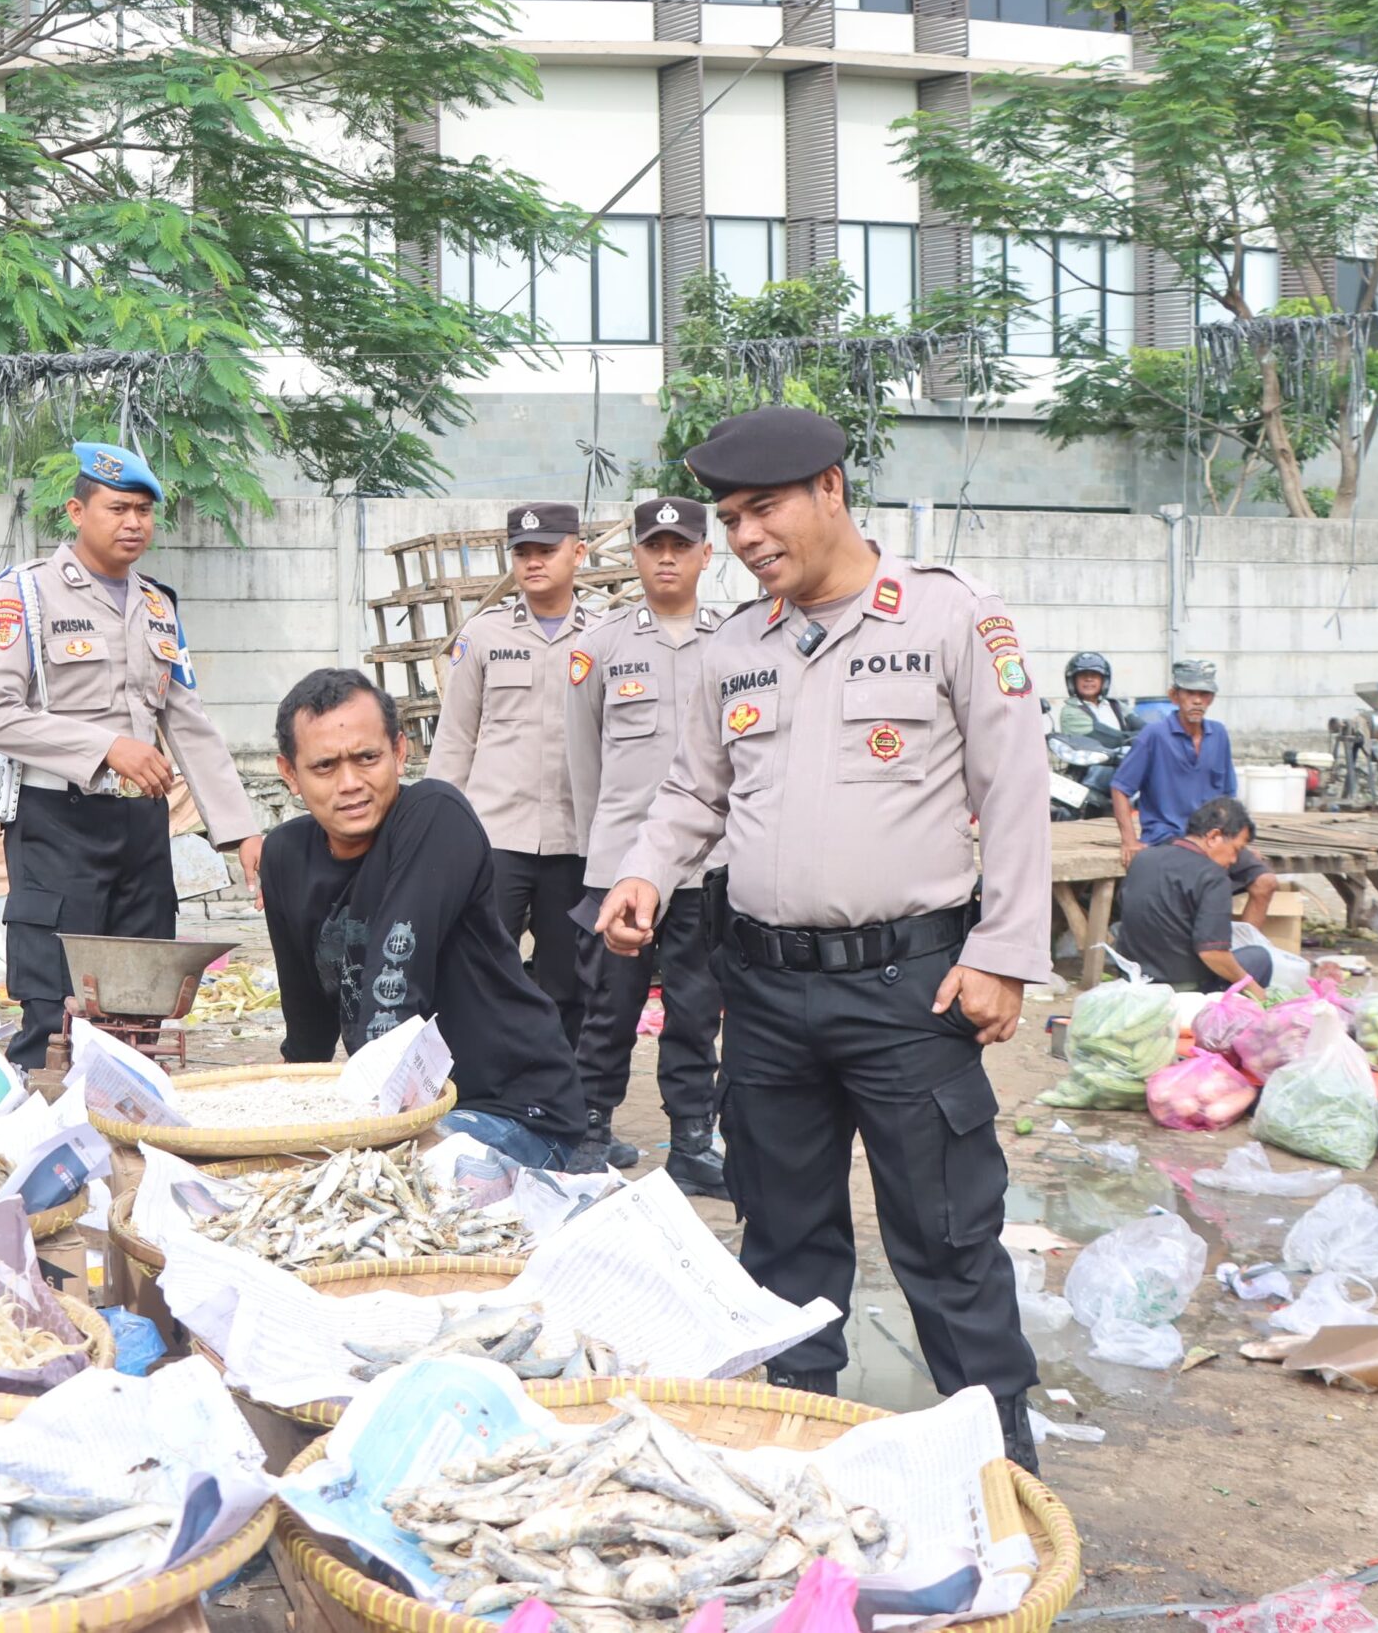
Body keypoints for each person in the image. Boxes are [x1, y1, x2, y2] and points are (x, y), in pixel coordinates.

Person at [592, 406, 1050, 1476]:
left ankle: (1002, 1465)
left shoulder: (945, 619)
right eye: (730, 518)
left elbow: (1017, 792)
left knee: (944, 1237)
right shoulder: (733, 648)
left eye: (764, 510)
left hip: (912, 993)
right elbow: (693, 789)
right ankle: (799, 1444)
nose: (746, 537)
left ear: (831, 490)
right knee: (782, 1236)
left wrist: (1003, 955)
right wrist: (645, 871)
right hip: (764, 994)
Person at [0, 442, 262, 1068]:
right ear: (76, 512)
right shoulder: (26, 594)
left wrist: (240, 831)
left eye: (144, 511)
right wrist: (108, 748)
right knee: (53, 1005)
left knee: (139, 998)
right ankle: (39, 1129)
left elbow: (188, 720)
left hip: (139, 827)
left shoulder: (158, 604)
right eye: (117, 509)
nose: (134, 523)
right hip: (56, 822)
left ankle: (128, 1132)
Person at [263, 668, 592, 1169]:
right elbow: (307, 1026)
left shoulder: (436, 815)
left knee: (370, 1177)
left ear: (400, 751)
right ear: (290, 773)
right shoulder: (285, 855)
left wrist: (367, 1128)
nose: (350, 784)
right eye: (325, 766)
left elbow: (392, 992)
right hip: (395, 1109)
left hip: (511, 1111)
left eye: (367, 758)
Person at [564, 494, 728, 1188]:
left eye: (681, 545)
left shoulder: (735, 640)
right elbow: (582, 762)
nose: (667, 557)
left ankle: (692, 1141)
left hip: (708, 867)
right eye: (654, 545)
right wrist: (601, 854)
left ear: (704, 555)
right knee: (609, 1007)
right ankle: (591, 1130)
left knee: (695, 1010)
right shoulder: (600, 646)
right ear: (633, 554)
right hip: (619, 866)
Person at [427, 502, 596, 1051]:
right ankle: (476, 1083)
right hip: (496, 836)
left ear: (579, 551)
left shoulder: (605, 637)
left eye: (546, 550)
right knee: (477, 964)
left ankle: (556, 1085)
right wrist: (441, 832)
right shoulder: (482, 635)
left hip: (577, 840)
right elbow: (455, 738)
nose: (533, 562)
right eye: (522, 553)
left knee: (567, 979)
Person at [1110, 659, 1277, 927]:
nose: (1197, 701)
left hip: (1216, 839)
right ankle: (1209, 956)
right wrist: (1129, 840)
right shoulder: (1154, 735)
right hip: (1169, 837)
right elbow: (1120, 787)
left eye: (1204, 694)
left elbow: (1228, 796)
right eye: (1190, 693)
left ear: (1211, 698)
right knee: (1211, 884)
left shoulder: (1219, 734)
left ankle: (1242, 957)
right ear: (1174, 696)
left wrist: (1238, 842)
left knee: (1265, 882)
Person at [1113, 799, 1275, 993]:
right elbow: (1212, 953)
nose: (1233, 860)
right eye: (1236, 850)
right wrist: (1255, 989)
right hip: (1184, 988)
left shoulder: (1143, 859)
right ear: (1214, 836)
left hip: (1134, 979)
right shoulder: (1212, 877)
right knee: (1260, 958)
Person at [1053, 652, 1134, 750]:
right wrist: (1138, 738)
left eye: (1094, 675)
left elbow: (1145, 728)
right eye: (1083, 675)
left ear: (1104, 680)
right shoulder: (1070, 711)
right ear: (1073, 681)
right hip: (1090, 764)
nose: (1088, 679)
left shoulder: (1116, 705)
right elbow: (1106, 739)